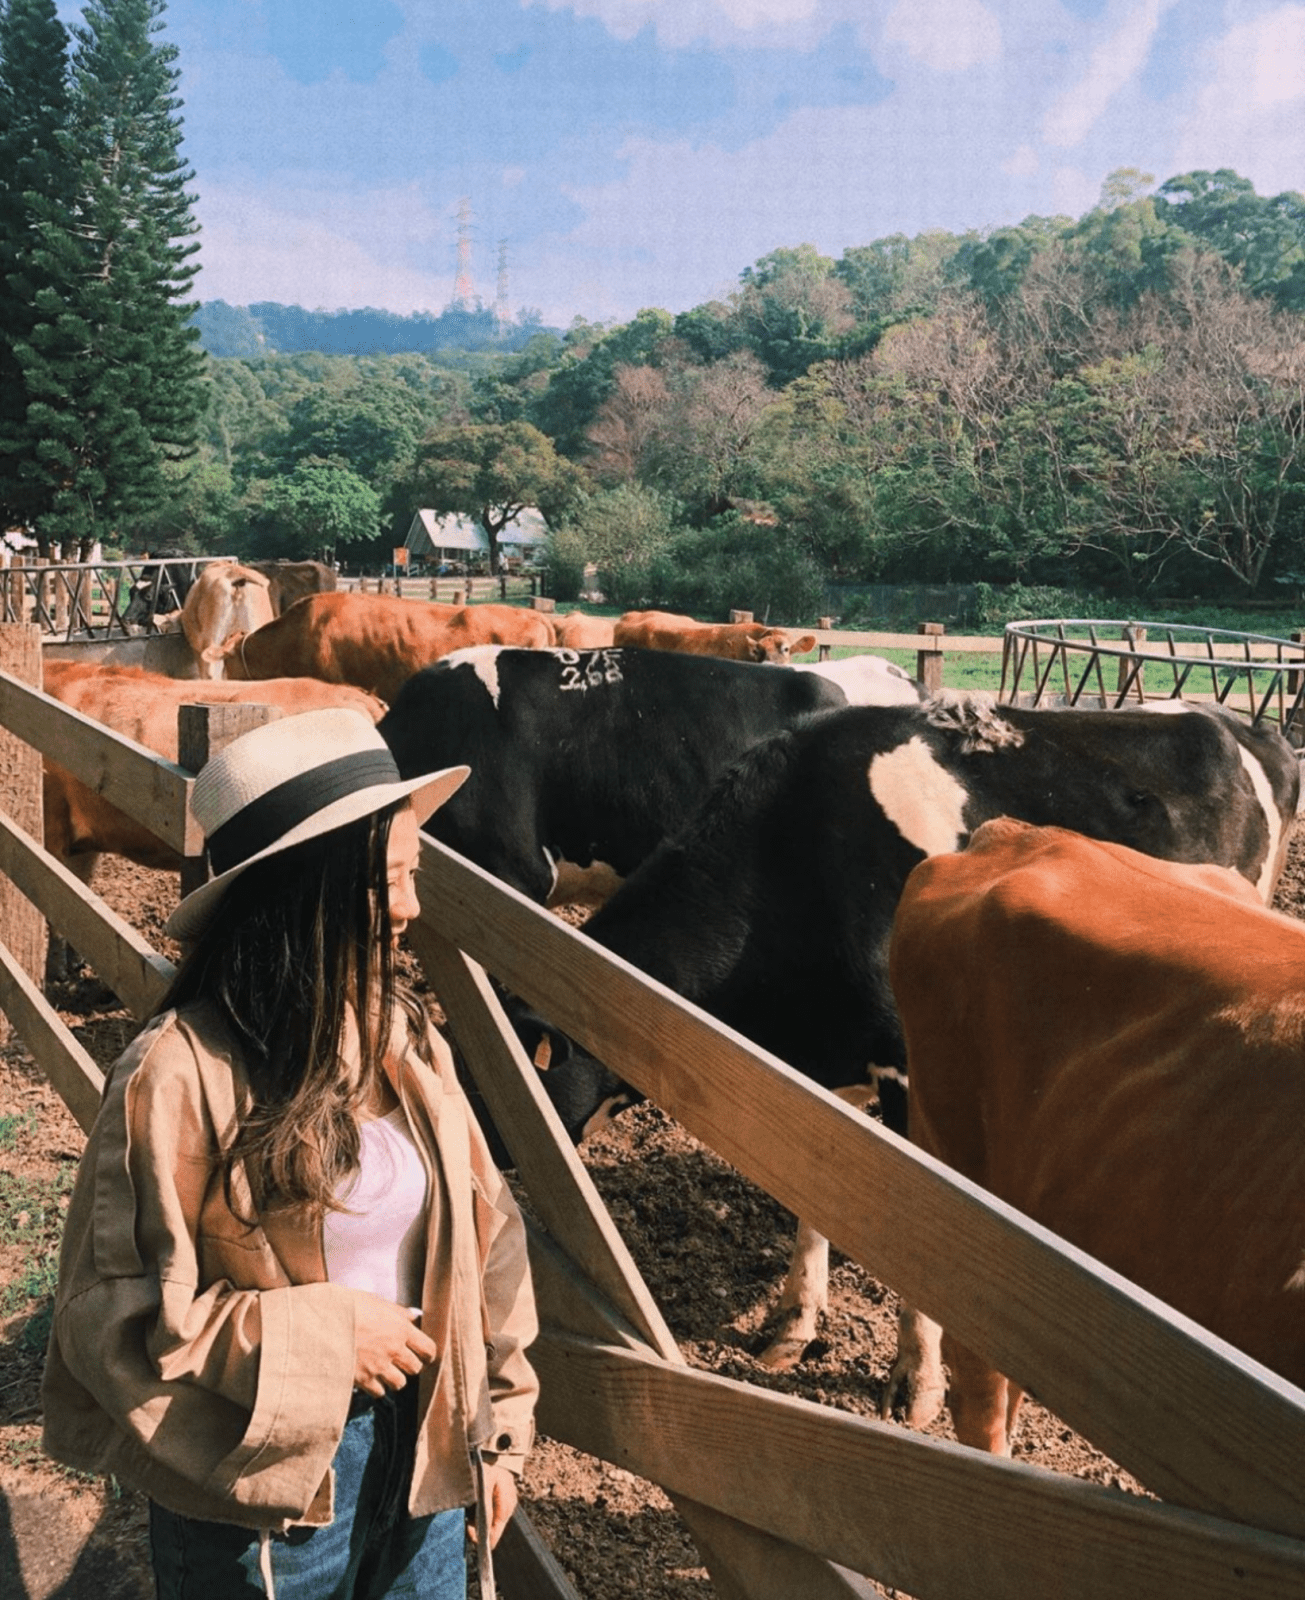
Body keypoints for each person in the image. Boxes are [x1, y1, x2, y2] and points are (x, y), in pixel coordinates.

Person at [42, 708, 539, 1599]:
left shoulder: (404, 1039)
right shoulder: (179, 1073)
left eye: (413, 875)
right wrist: (323, 1337)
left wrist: (494, 1432)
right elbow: (111, 1312)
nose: (410, 909)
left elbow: (486, 1237)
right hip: (261, 1484)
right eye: (386, 883)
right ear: (304, 890)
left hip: (427, 1454)